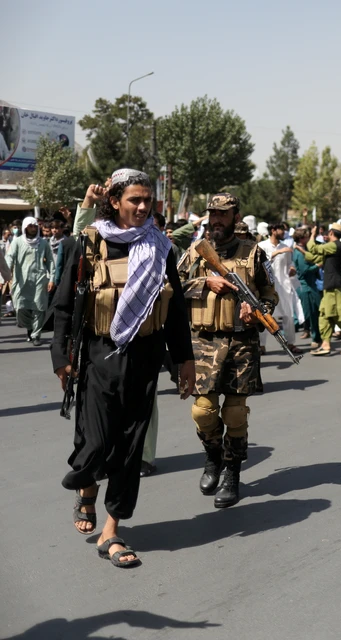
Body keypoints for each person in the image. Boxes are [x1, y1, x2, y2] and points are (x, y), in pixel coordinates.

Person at [53, 172, 196, 568]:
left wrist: (184, 360)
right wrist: (60, 357)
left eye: (148, 200)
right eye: (135, 199)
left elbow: (176, 311)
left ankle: (112, 532)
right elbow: (65, 306)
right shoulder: (89, 242)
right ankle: (84, 483)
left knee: (131, 448)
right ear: (115, 200)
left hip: (145, 356)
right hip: (99, 353)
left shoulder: (160, 246)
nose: (143, 207)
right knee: (96, 441)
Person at [178, 193, 278, 508]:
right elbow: (172, 287)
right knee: (203, 411)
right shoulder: (195, 252)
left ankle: (232, 472)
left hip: (241, 343)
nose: (217, 219)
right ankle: (213, 456)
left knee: (235, 414)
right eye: (213, 214)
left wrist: (259, 309)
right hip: (203, 342)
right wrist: (205, 283)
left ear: (236, 216)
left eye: (224, 214)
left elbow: (269, 291)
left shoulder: (254, 253)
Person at [304, 223, 341, 356]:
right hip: (333, 287)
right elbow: (314, 257)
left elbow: (313, 247)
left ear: (330, 233)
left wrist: (312, 235)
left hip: (336, 288)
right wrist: (302, 251)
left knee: (339, 318)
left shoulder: (335, 246)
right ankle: (327, 344)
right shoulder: (333, 247)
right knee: (326, 315)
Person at [5, 216, 54, 345]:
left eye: (35, 226)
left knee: (39, 307)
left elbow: (50, 261)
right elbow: (9, 258)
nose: (33, 228)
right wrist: (4, 276)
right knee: (20, 307)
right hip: (21, 280)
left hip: (40, 279)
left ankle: (36, 335)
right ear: (25, 228)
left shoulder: (43, 243)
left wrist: (52, 279)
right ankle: (30, 328)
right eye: (30, 226)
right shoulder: (17, 242)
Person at [258, 222, 300, 355]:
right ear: (273, 230)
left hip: (284, 285)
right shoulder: (262, 246)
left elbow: (289, 263)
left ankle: (291, 343)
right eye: (282, 230)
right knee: (265, 315)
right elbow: (260, 264)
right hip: (267, 287)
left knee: (288, 315)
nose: (284, 232)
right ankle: (262, 346)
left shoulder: (286, 247)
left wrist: (292, 268)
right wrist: (277, 252)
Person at [291, 228, 321, 348]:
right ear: (302, 239)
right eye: (307, 237)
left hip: (309, 285)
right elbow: (305, 271)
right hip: (307, 287)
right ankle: (315, 337)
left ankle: (316, 336)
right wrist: (318, 266)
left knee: (314, 313)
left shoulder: (302, 250)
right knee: (311, 314)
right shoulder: (299, 253)